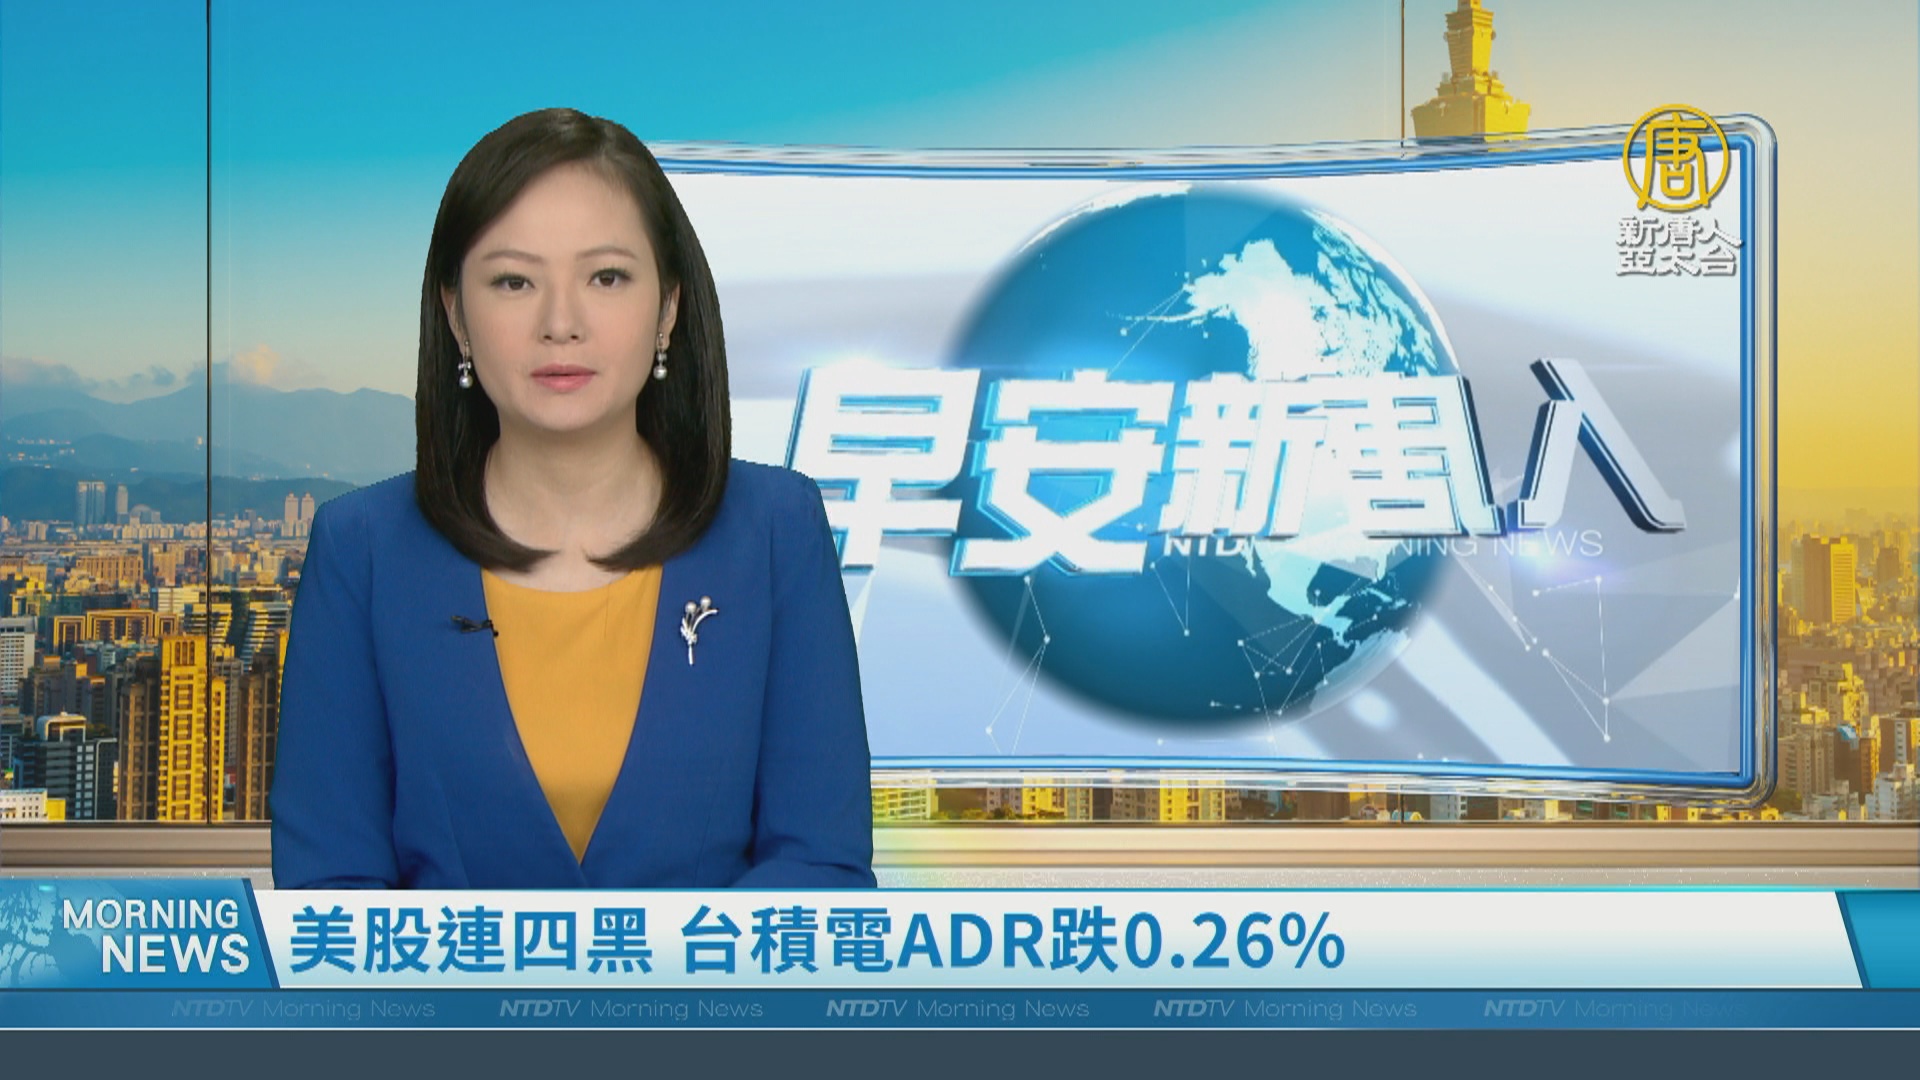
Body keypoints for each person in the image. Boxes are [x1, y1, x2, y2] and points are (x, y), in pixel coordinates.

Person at [269, 108, 875, 889]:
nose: (561, 323)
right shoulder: (362, 549)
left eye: (607, 277)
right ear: (456, 315)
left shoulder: (776, 529)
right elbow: (329, 890)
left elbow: (819, 868)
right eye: (514, 281)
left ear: (668, 308)